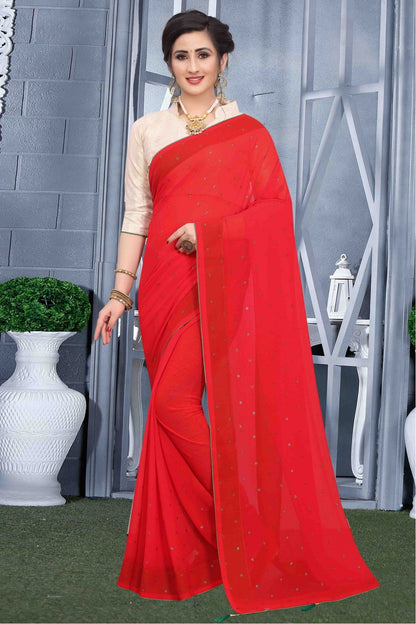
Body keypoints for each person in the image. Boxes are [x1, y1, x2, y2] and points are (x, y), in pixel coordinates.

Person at [94, 9, 379, 617]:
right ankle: (223, 546)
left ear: (223, 60)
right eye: (181, 56)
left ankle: (256, 526)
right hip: (164, 284)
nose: (192, 66)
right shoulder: (147, 130)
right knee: (171, 410)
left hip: (222, 284)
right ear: (169, 63)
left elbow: (274, 211)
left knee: (173, 406)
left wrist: (211, 233)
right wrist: (120, 293)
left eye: (203, 54)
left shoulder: (248, 132)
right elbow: (137, 214)